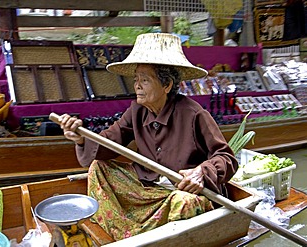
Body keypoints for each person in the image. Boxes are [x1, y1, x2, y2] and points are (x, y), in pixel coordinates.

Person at [56, 33, 238, 240]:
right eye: (136, 80)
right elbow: (107, 142)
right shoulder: (136, 111)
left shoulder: (194, 114)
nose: (137, 86)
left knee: (185, 204)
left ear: (167, 85)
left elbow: (227, 158)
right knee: (98, 168)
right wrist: (80, 138)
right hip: (149, 188)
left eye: (145, 80)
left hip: (183, 193)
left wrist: (201, 173)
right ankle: (127, 231)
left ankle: (152, 236)